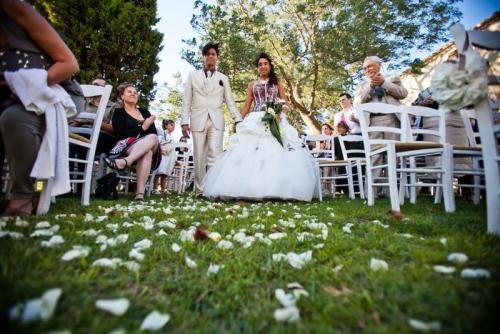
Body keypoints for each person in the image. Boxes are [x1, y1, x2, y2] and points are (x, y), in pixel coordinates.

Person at [203, 52, 320, 201]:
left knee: (276, 151)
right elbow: (247, 105)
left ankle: (276, 189)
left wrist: (279, 114)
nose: (263, 66)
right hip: (255, 118)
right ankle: (244, 188)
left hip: (274, 119)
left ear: (270, 66)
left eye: (265, 64)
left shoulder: (277, 83)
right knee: (247, 152)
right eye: (260, 65)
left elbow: (285, 102)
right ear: (257, 68)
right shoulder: (252, 85)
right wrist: (238, 120)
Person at [0, 0, 79, 216]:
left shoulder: (15, 9)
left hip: (53, 91)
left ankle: (23, 196)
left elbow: (70, 64)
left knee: (15, 118)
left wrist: (19, 85)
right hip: (9, 95)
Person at [180, 42, 243, 197]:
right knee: (199, 156)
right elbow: (187, 99)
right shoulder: (192, 75)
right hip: (197, 119)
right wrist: (184, 121)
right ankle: (200, 191)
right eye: (207, 54)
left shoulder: (224, 78)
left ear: (217, 58)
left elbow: (229, 101)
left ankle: (215, 190)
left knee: (215, 153)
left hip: (216, 119)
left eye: (213, 54)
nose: (210, 56)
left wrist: (238, 119)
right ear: (203, 57)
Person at [354, 56, 408, 196]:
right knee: (375, 156)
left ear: (379, 65)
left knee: (393, 155)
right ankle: (371, 193)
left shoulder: (392, 78)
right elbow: (358, 104)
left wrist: (384, 83)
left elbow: (403, 94)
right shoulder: (361, 86)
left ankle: (391, 192)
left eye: (370, 66)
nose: (367, 70)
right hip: (373, 122)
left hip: (392, 119)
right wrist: (371, 87)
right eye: (365, 68)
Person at [106, 83, 160, 201]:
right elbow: (119, 134)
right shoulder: (119, 112)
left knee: (153, 138)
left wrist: (145, 129)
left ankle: (126, 162)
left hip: (150, 142)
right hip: (127, 145)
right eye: (129, 92)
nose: (133, 94)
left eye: (135, 92)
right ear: (122, 97)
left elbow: (153, 133)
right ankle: (140, 194)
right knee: (147, 153)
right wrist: (143, 127)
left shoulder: (145, 112)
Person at [153, 119, 176, 194]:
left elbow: (173, 148)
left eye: (174, 126)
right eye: (171, 125)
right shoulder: (162, 134)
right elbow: (159, 143)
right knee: (158, 172)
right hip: (162, 156)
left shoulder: (172, 137)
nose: (173, 127)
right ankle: (155, 188)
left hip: (169, 157)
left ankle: (163, 189)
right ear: (166, 126)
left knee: (165, 174)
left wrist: (174, 159)